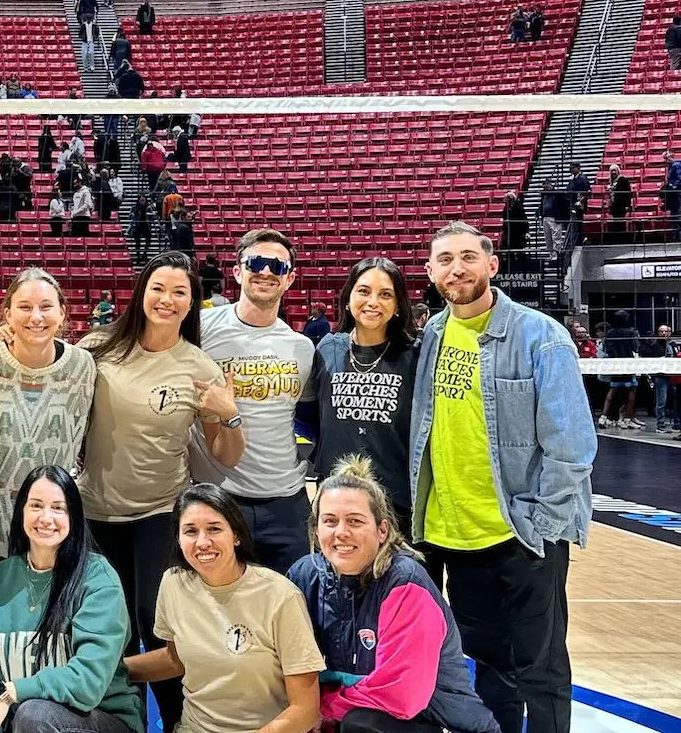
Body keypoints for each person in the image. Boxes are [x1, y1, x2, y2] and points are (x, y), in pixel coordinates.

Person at [411, 221, 597, 733]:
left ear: (492, 265)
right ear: (430, 273)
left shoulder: (542, 336)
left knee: (541, 669)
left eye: (468, 257)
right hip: (456, 533)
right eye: (444, 260)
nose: (457, 269)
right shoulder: (431, 335)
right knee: (489, 668)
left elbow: (572, 445)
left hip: (522, 533)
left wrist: (543, 524)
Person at [78, 253, 245, 732]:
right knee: (108, 627)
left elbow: (225, 454)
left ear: (192, 302)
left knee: (158, 626)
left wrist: (229, 413)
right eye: (158, 288)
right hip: (94, 512)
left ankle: (178, 722)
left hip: (159, 512)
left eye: (179, 292)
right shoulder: (97, 349)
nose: (167, 300)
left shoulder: (200, 368)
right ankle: (116, 721)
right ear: (141, 293)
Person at [289, 457, 501, 733]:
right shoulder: (304, 576)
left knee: (361, 725)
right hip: (345, 716)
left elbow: (401, 698)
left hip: (439, 724)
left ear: (382, 530)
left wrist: (315, 711)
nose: (341, 532)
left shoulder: (405, 584)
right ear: (316, 530)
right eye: (330, 521)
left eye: (355, 521)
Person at [0, 269, 97, 615]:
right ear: (7, 313)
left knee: (49, 635)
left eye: (46, 306)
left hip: (52, 530)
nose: (36, 316)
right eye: (25, 307)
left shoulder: (83, 366)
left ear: (62, 312)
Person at [124, 484, 324, 733]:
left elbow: (305, 710)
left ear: (236, 535)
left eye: (214, 529)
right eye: (190, 531)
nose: (202, 542)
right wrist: (107, 671)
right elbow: (175, 659)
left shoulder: (280, 596)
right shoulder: (173, 583)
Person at [0, 465, 145, 733]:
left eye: (58, 508)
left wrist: (12, 691)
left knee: (34, 714)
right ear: (21, 512)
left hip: (102, 719)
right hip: (24, 723)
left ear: (74, 516)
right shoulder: (0, 578)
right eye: (36, 505)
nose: (46, 518)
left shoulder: (97, 578)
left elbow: (88, 683)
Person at [193, 228, 321, 574]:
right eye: (256, 263)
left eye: (276, 266)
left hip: (286, 501)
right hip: (219, 496)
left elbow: (306, 417)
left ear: (290, 278)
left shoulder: (301, 347)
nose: (265, 272)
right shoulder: (200, 330)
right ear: (237, 271)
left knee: (286, 607)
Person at [305, 258, 420, 535]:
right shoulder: (328, 347)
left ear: (397, 306)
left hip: (396, 503)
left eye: (385, 294)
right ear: (347, 298)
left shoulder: (415, 353)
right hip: (336, 502)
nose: (373, 302)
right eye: (364, 291)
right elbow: (313, 419)